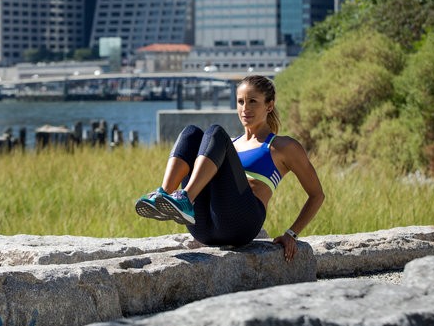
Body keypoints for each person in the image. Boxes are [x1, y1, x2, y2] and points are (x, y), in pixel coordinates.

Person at [135, 75, 324, 262]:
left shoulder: (282, 146)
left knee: (215, 133)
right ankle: (163, 196)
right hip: (203, 228)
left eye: (252, 102)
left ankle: (186, 198)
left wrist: (291, 234)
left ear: (269, 105)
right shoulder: (229, 145)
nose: (245, 108)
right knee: (191, 133)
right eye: (240, 102)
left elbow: (317, 195)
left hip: (242, 224)